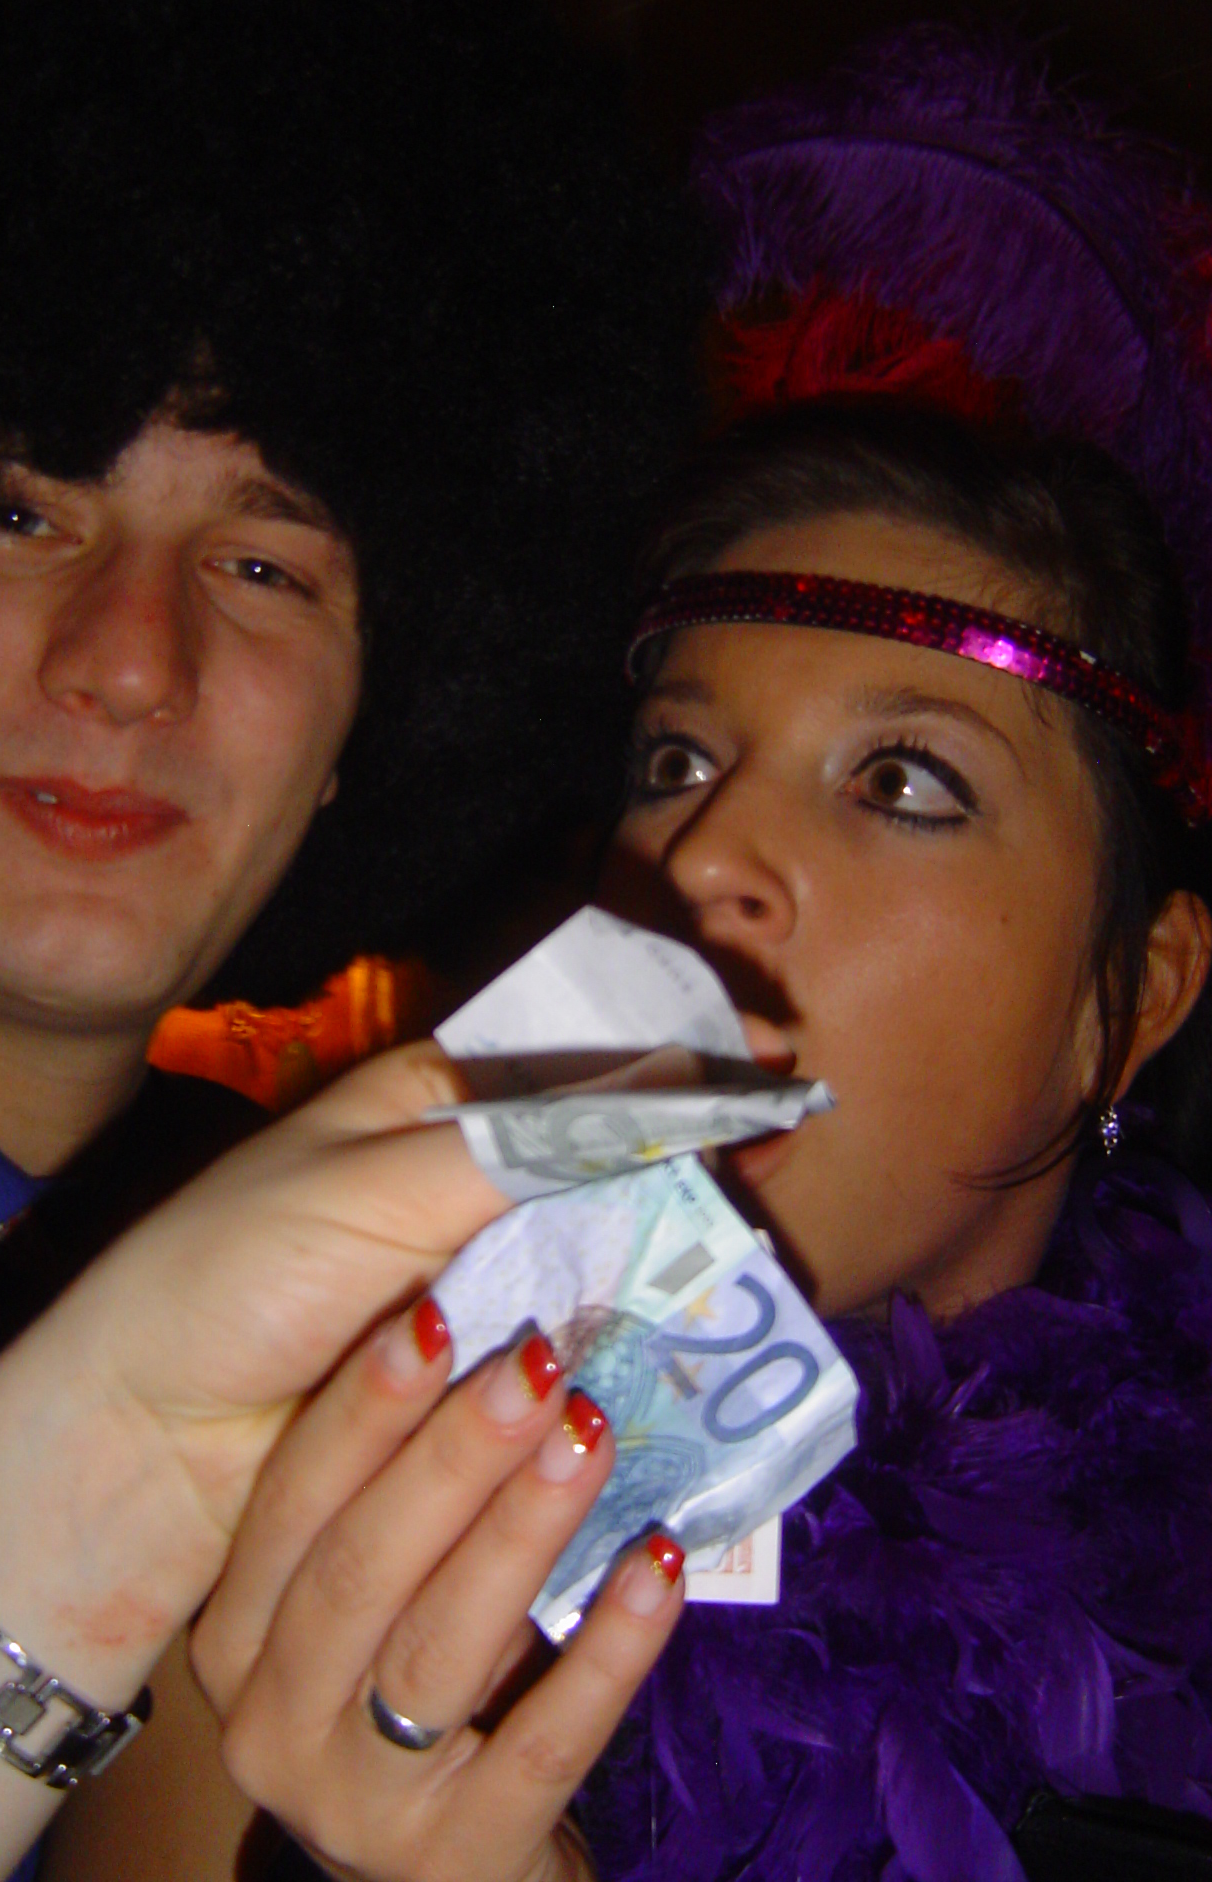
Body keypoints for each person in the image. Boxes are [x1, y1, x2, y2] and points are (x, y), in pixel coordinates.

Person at [0, 0, 704, 1875]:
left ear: (372, 727)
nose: (130, 661)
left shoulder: (354, 1302)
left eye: (260, 564)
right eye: (12, 508)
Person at [71, 404, 1212, 1880]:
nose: (702, 853)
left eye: (901, 781)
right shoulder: (307, 1494)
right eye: (675, 763)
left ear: (1132, 997)